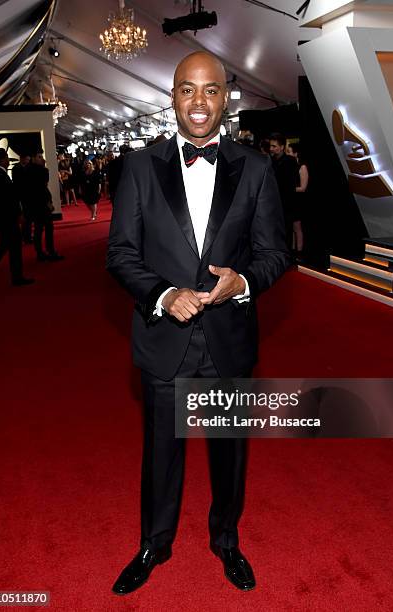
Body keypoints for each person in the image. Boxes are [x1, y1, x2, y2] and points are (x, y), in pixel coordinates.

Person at [107, 51, 289, 596]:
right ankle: (153, 544)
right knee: (161, 451)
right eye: (188, 90)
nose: (200, 102)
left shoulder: (255, 168)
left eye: (211, 90)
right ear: (173, 97)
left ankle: (226, 541)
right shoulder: (141, 166)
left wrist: (244, 282)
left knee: (230, 451)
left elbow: (277, 253)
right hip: (165, 338)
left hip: (228, 338)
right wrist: (163, 294)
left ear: (225, 97)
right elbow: (120, 254)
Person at [0, 148, 34, 287]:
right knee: (14, 246)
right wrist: (18, 214)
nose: (8, 161)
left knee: (5, 246)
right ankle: (15, 277)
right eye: (6, 158)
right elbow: (7, 199)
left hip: (2, 216)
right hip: (7, 217)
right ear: (1, 159)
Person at [27, 151, 64, 262]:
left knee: (39, 229)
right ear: (33, 158)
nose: (42, 159)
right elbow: (43, 188)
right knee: (47, 227)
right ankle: (50, 251)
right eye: (39, 157)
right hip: (42, 204)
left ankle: (40, 253)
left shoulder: (27, 170)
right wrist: (49, 203)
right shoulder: (42, 170)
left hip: (33, 204)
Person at [269, 133, 300, 251]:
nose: (271, 148)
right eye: (271, 146)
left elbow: (290, 184)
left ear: (282, 147)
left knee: (287, 231)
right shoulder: (270, 161)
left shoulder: (290, 161)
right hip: (274, 203)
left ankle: (287, 255)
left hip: (287, 203)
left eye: (274, 146)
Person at [287, 142, 309, 259]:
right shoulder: (291, 167)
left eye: (289, 152)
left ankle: (299, 253)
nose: (287, 154)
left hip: (298, 201)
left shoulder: (302, 167)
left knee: (297, 227)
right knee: (292, 228)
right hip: (291, 200)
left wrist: (288, 188)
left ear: (296, 153)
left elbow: (303, 187)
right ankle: (293, 251)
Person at [12, 152, 32, 243]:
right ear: (22, 158)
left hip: (27, 196)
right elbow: (17, 183)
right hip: (20, 196)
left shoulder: (27, 167)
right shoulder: (16, 168)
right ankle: (25, 236)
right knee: (23, 217)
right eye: (27, 159)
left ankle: (27, 235)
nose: (28, 161)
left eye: (29, 160)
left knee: (28, 217)